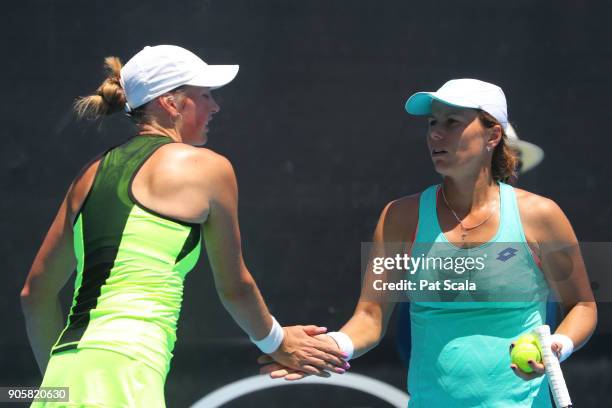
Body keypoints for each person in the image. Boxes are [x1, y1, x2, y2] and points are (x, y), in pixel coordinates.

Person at [20, 45, 348, 407]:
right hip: (127, 369)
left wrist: (64, 382)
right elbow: (235, 287)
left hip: (63, 377)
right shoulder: (206, 168)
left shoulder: (88, 175)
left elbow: (35, 295)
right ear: (171, 103)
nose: (215, 107)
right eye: (205, 95)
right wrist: (278, 342)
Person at [260, 79, 597, 407]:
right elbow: (370, 316)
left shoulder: (541, 216)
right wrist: (327, 347)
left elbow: (582, 306)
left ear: (492, 135)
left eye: (452, 123)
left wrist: (556, 346)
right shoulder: (399, 218)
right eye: (433, 122)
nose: (436, 133)